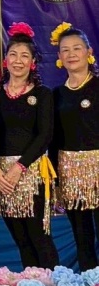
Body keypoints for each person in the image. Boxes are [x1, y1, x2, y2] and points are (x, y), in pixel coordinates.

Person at [0, 22, 58, 269]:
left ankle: (54, 283)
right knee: (21, 240)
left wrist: (19, 168)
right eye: (13, 54)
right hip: (3, 177)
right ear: (5, 60)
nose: (18, 61)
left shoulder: (42, 94)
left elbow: (45, 135)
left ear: (33, 62)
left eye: (24, 56)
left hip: (31, 172)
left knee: (40, 237)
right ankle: (32, 282)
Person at [51, 22, 99, 270]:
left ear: (89, 52)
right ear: (59, 57)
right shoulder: (55, 95)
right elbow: (53, 139)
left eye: (76, 48)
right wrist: (56, 179)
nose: (71, 54)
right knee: (82, 235)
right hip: (69, 171)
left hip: (98, 169)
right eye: (65, 50)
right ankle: (90, 281)